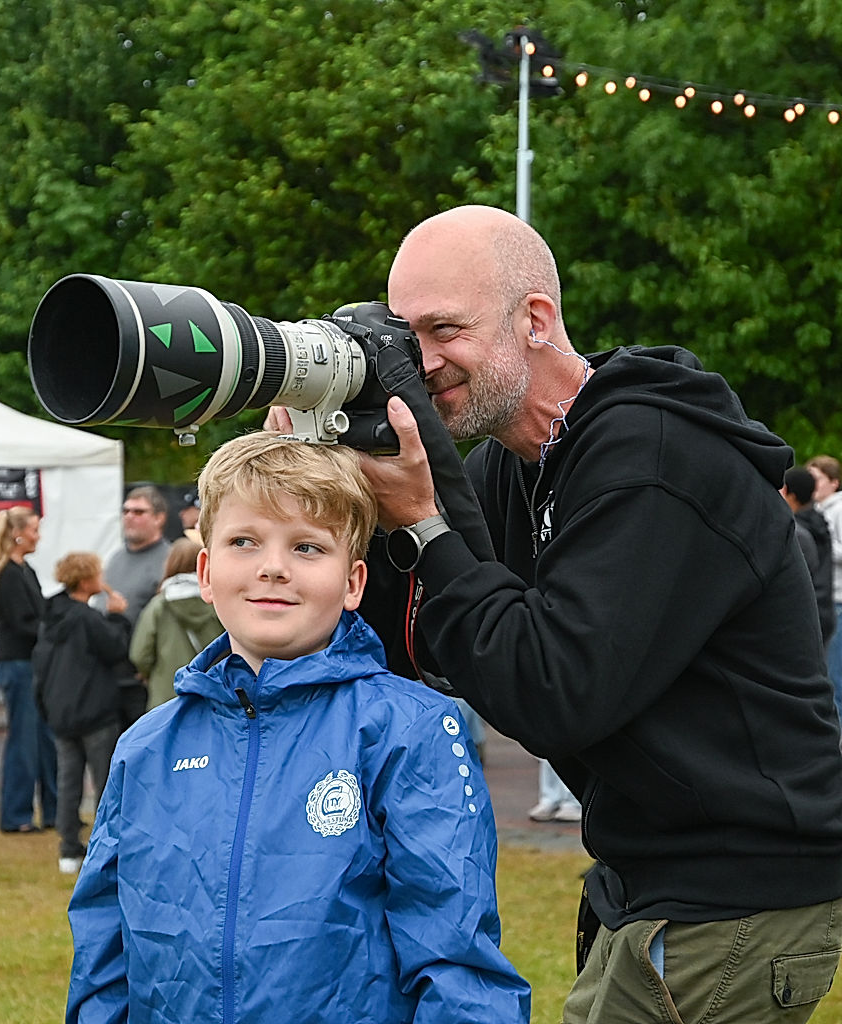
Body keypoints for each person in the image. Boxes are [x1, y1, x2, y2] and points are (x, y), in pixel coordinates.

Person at [348, 205, 842, 1023]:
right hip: (652, 877)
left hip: (737, 889)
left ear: (534, 320)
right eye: (404, 337)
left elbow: (552, 689)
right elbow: (430, 649)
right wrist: (336, 484)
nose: (421, 363)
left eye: (445, 330)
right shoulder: (518, 468)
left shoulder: (651, 456)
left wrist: (429, 523)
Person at [66, 432, 531, 1024]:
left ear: (354, 582)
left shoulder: (406, 730)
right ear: (205, 572)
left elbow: (457, 960)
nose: (273, 568)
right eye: (244, 541)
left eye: (308, 548)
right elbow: (103, 954)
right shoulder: (148, 746)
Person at [34, 552, 130, 875]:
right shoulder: (87, 618)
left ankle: (68, 850)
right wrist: (117, 616)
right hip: (94, 711)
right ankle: (104, 847)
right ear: (87, 580)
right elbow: (116, 648)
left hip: (60, 712)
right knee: (104, 782)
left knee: (68, 781)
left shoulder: (50, 616)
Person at [0, 506, 57, 833]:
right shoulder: (8, 573)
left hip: (32, 663)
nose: (38, 537)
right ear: (19, 534)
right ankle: (16, 814)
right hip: (18, 664)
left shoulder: (25, 569)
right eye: (34, 530)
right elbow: (22, 623)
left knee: (44, 740)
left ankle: (53, 811)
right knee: (24, 741)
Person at [100, 485, 171, 729]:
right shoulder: (115, 558)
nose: (130, 517)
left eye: (139, 512)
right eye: (126, 511)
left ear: (159, 518)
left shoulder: (167, 560)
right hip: (109, 677)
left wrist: (148, 666)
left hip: (143, 680)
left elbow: (168, 625)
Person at [129, 536, 223, 710]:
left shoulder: (159, 604)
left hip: (167, 697)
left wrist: (151, 674)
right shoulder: (218, 602)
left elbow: (139, 654)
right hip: (213, 695)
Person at [781, 466, 836, 646]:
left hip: (805, 616)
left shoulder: (796, 532)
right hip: (825, 609)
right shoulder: (820, 521)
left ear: (790, 493)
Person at [808, 454, 842, 723]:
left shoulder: (839, 509)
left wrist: (823, 542)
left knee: (834, 673)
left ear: (834, 482)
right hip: (824, 599)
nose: (813, 485)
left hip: (839, 600)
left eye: (817, 479)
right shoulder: (814, 512)